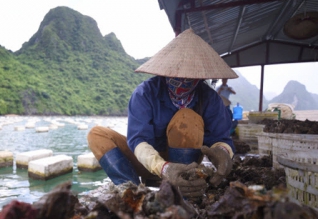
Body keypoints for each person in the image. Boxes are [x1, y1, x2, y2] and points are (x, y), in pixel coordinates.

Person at [87, 29, 238, 199]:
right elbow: (138, 140)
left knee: (186, 118)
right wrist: (164, 167)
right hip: (150, 162)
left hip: (187, 167)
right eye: (177, 74)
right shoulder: (145, 93)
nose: (182, 79)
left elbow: (222, 138)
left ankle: (184, 187)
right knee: (97, 134)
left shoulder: (209, 98)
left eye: (189, 76)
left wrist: (223, 153)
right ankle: (133, 193)